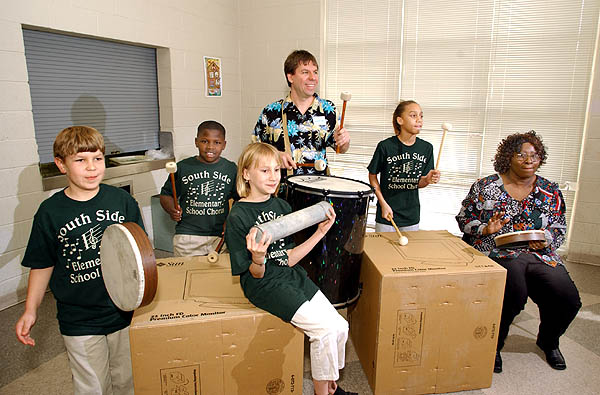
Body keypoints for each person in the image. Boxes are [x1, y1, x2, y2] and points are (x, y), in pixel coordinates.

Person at [15, 126, 144, 394]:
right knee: (92, 387)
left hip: (123, 311)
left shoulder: (121, 201)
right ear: (61, 165)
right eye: (80, 160)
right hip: (79, 317)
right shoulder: (50, 212)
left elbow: (139, 254)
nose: (91, 167)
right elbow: (42, 264)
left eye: (97, 158)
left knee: (127, 382)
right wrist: (31, 309)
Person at [225, 143, 357, 395]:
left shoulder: (282, 207)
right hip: (263, 283)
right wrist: (258, 258)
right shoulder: (238, 216)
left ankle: (331, 387)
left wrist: (319, 233)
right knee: (324, 330)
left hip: (289, 275)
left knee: (340, 326)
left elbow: (290, 258)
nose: (273, 176)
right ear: (245, 174)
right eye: (264, 171)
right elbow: (255, 273)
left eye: (276, 169)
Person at [456, 130, 581, 373]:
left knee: (568, 298)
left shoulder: (550, 190)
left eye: (534, 155)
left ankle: (549, 341)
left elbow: (558, 227)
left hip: (538, 255)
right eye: (521, 155)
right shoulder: (486, 186)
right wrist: (484, 228)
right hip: (496, 252)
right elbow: (463, 219)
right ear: (508, 157)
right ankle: (493, 345)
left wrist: (547, 241)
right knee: (513, 293)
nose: (528, 160)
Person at [252, 49, 350, 178]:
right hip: (281, 190)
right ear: (290, 77)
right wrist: (275, 156)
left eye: (315, 72)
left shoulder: (329, 109)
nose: (313, 77)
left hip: (319, 189)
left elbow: (340, 149)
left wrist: (345, 141)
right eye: (305, 72)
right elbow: (254, 151)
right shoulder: (271, 112)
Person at [160, 120, 237, 256]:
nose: (210, 147)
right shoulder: (183, 167)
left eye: (217, 142)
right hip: (187, 237)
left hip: (219, 237)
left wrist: (231, 220)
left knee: (217, 276)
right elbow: (166, 194)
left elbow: (240, 199)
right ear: (196, 142)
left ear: (224, 144)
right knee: (187, 275)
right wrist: (171, 209)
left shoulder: (230, 169)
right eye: (204, 141)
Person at [368, 100, 440, 232]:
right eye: (413, 115)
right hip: (386, 214)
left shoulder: (426, 148)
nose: (419, 120)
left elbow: (419, 183)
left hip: (411, 217)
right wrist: (383, 204)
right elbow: (372, 175)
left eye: (421, 116)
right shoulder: (385, 146)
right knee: (382, 252)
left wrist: (427, 180)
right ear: (400, 120)